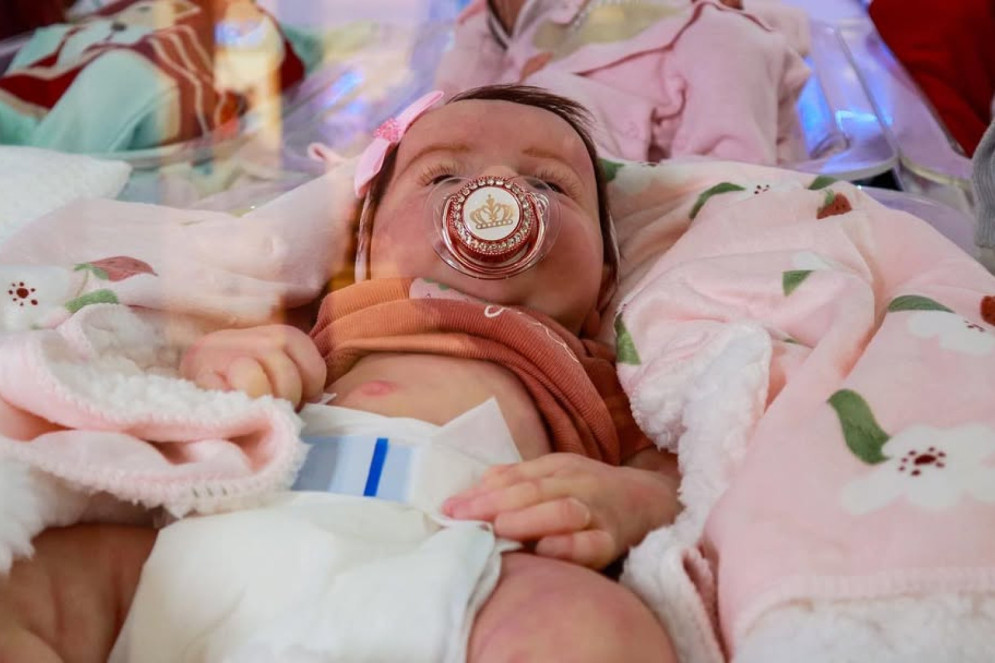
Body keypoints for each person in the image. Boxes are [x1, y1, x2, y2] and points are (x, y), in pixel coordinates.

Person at [0, 85, 679, 662]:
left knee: (592, 624)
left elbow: (680, 475)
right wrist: (224, 367)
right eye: (442, 176)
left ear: (604, 281)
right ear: (364, 245)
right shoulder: (328, 323)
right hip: (221, 547)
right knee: (30, 581)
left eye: (549, 184)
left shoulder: (600, 371)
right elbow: (176, 388)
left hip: (457, 566)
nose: (494, 191)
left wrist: (628, 499)